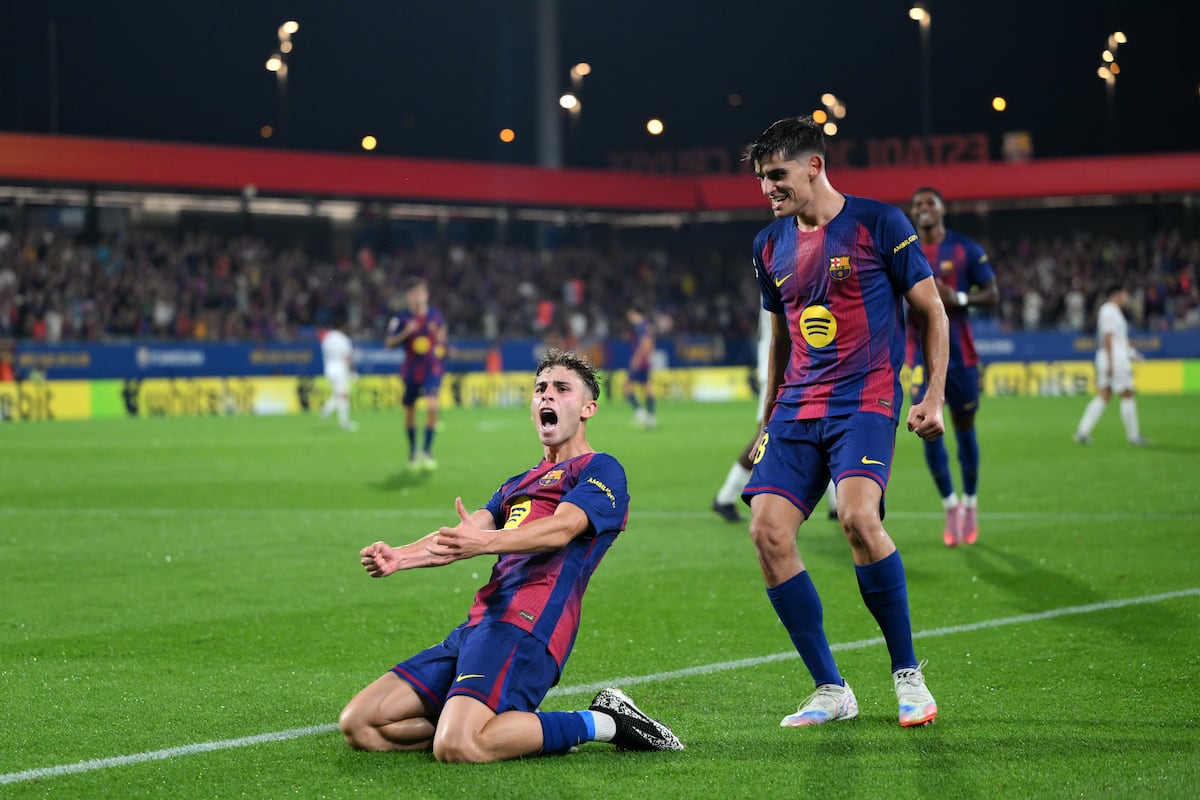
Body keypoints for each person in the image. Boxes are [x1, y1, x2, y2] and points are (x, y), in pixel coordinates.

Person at [338, 348, 683, 762]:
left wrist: (485, 542)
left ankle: (605, 721)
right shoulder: (517, 484)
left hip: (528, 627)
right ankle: (480, 724)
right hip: (478, 627)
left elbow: (563, 528)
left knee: (457, 745)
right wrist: (400, 556)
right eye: (540, 389)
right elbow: (465, 535)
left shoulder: (600, 469)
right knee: (359, 724)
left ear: (588, 408)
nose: (547, 397)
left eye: (561, 389)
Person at [740, 116, 949, 729]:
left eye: (777, 176)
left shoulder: (880, 223)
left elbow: (932, 312)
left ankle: (908, 675)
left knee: (859, 517)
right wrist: (765, 420)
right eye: (761, 180)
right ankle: (831, 688)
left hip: (866, 397)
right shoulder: (768, 245)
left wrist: (932, 396)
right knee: (767, 533)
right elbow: (780, 339)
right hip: (797, 406)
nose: (768, 190)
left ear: (814, 166)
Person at [906, 187, 998, 547]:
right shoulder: (905, 250)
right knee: (925, 428)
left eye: (929, 203)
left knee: (964, 430)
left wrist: (958, 297)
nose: (923, 208)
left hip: (961, 357)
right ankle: (950, 506)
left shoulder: (965, 249)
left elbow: (993, 293)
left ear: (943, 208)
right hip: (918, 359)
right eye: (917, 205)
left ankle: (971, 505)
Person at [712, 308, 837, 523]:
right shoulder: (781, 276)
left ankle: (836, 502)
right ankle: (727, 495)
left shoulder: (779, 277)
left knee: (824, 423)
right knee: (765, 434)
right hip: (782, 369)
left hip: (795, 367)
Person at [385, 277, 447, 469]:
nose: (419, 297)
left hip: (431, 369)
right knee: (410, 412)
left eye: (422, 292)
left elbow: (443, 337)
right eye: (415, 293)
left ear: (426, 294)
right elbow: (388, 343)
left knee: (432, 407)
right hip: (411, 371)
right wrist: (406, 332)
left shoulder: (435, 315)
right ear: (408, 296)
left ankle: (427, 451)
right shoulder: (401, 318)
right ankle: (413, 450)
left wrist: (441, 340)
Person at [1074, 283, 1146, 446]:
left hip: (1110, 356)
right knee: (1127, 393)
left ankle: (1082, 432)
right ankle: (1133, 436)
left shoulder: (1114, 312)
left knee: (1104, 395)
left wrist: (1133, 354)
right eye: (1125, 294)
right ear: (1117, 294)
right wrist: (1112, 362)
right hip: (1112, 357)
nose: (1126, 298)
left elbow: (1119, 341)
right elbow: (1108, 336)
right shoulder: (1109, 311)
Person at [319, 314, 358, 432]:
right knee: (343, 395)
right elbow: (347, 357)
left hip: (329, 369)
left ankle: (330, 412)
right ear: (343, 328)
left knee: (339, 394)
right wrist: (352, 371)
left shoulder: (327, 338)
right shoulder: (343, 339)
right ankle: (337, 418)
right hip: (341, 369)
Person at [625, 308, 657, 429]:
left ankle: (640, 412)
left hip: (640, 361)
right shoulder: (647, 325)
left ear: (634, 313)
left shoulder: (641, 326)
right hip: (645, 360)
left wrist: (637, 359)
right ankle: (650, 417)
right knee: (646, 387)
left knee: (626, 386)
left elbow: (646, 343)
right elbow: (651, 343)